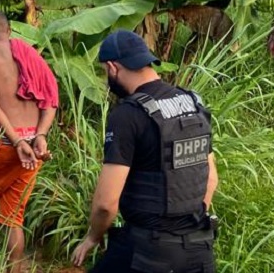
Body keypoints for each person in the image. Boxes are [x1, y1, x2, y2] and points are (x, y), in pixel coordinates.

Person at [71, 29, 219, 273]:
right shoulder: (193, 103)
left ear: (113, 67)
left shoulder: (127, 115)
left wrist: (93, 237)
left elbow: (106, 204)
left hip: (148, 252)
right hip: (199, 249)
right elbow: (210, 179)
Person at [0, 9, 59, 273]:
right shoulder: (29, 53)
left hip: (8, 142)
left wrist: (16, 140)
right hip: (34, 144)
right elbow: (51, 99)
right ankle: (15, 268)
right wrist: (39, 135)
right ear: (9, 30)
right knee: (13, 216)